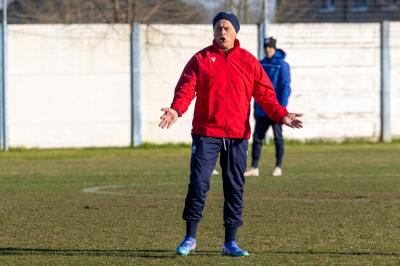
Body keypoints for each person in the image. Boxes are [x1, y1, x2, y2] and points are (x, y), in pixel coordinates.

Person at [159, 11, 303, 257]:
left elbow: (266, 94)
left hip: (237, 135)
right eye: (218, 28)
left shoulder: (248, 61)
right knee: (199, 184)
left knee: (234, 187)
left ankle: (230, 243)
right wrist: (176, 110)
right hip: (206, 134)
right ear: (213, 32)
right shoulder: (201, 59)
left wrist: (282, 115)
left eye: (226, 28)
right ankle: (190, 237)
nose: (222, 32)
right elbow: (186, 88)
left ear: (236, 32)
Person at [244, 37, 291, 177]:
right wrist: (254, 108)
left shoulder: (282, 65)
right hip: (261, 109)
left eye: (270, 47)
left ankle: (278, 166)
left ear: (274, 48)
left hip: (275, 110)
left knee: (278, 138)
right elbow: (254, 87)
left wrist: (281, 109)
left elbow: (285, 87)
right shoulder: (260, 64)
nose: (267, 49)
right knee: (257, 138)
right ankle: (254, 167)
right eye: (265, 47)